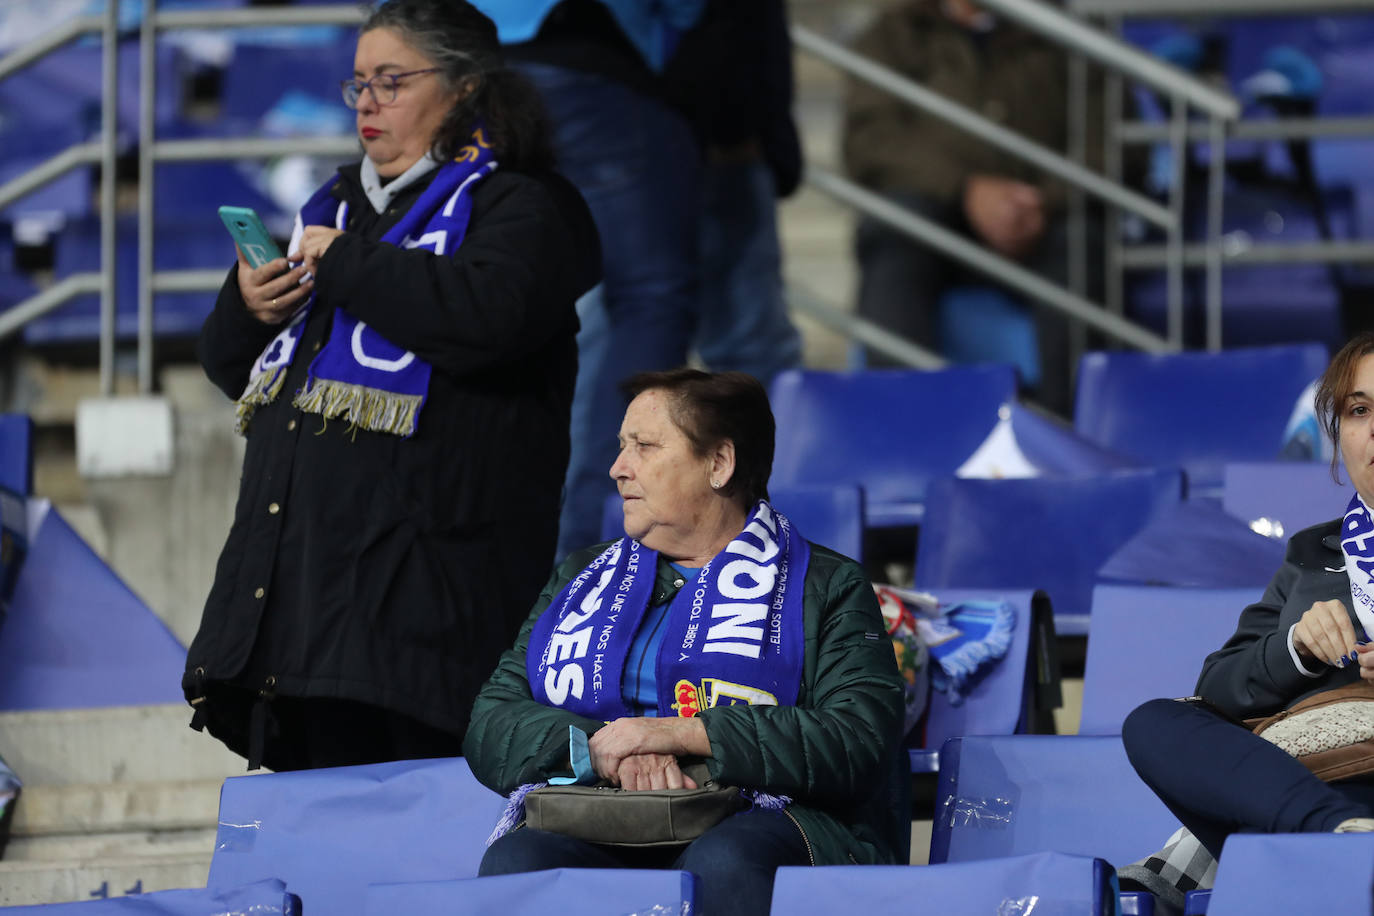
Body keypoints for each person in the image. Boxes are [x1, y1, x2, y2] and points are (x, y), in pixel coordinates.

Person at [185, 0, 600, 772]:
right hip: (297, 625)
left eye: (391, 81)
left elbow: (486, 318)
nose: (367, 103)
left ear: (467, 87)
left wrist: (343, 264)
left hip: (427, 632)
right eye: (357, 85)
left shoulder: (524, 206)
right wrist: (246, 309)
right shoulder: (333, 211)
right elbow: (228, 365)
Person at [464, 369, 905, 916]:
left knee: (725, 858)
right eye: (621, 447)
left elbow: (856, 738)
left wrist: (685, 734)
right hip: (606, 812)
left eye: (644, 447)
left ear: (719, 464)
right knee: (520, 860)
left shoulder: (827, 585)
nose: (618, 469)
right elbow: (492, 721)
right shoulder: (582, 576)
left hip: (765, 819)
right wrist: (610, 747)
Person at [1123, 332, 1374, 863]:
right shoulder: (1312, 551)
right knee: (1154, 722)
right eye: (1358, 410)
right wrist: (1296, 651)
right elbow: (1219, 686)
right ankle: (1342, 837)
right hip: (1307, 790)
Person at [473, 0, 709, 559]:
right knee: (649, 301)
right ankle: (602, 542)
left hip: (459, 71)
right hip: (589, 62)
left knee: (488, 297)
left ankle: (519, 548)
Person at [843, 0, 1114, 416]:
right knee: (893, 233)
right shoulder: (893, 34)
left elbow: (1112, 146)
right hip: (936, 215)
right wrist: (967, 190)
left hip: (1044, 216)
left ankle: (1072, 435)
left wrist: (1041, 200)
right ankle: (900, 430)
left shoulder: (1067, 31)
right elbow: (871, 144)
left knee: (1081, 244)